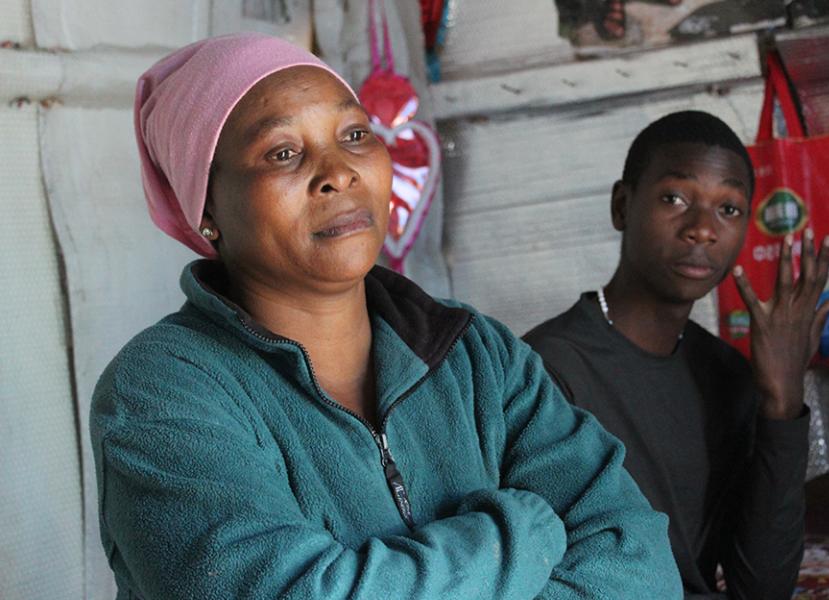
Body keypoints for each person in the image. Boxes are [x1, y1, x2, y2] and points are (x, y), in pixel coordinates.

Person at [90, 33, 682, 599]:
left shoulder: (476, 355)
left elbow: (640, 567)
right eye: (284, 152)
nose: (338, 173)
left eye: (354, 134)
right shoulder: (162, 393)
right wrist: (519, 537)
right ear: (207, 208)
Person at [524, 111, 829, 599]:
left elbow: (764, 587)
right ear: (622, 206)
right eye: (675, 198)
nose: (702, 230)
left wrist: (782, 402)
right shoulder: (545, 369)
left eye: (727, 209)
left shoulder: (729, 376)